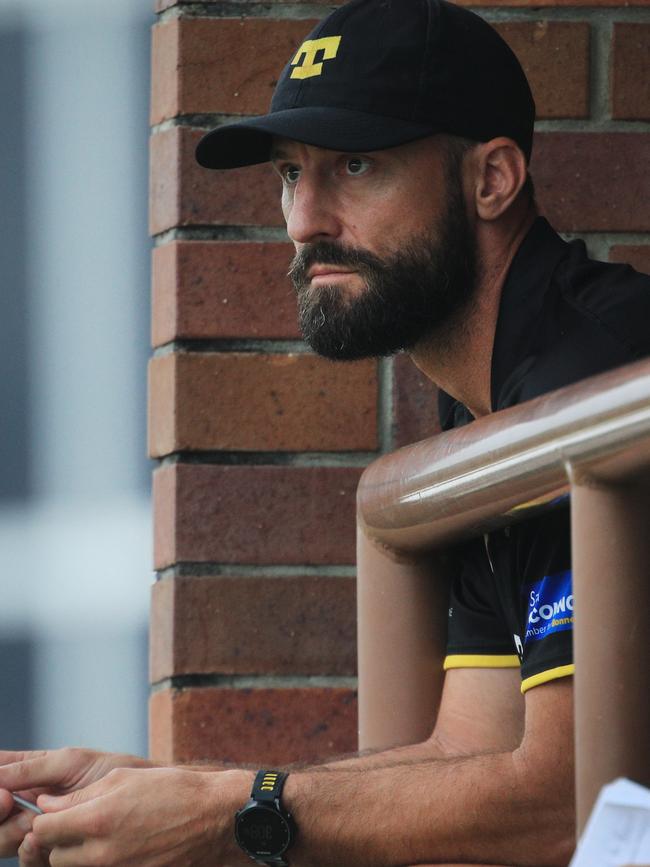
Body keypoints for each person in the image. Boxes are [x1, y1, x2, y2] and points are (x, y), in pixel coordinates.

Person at [1, 0, 649, 865]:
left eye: (355, 166)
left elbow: (574, 804)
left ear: (491, 178)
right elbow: (474, 759)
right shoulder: (494, 401)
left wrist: (228, 810)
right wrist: (169, 792)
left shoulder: (593, 373)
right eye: (288, 176)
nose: (305, 220)